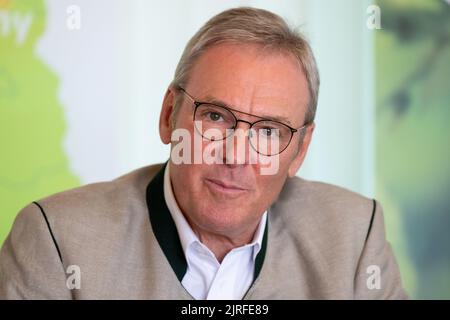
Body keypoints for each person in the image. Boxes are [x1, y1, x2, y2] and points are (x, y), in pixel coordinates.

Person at [0, 7, 407, 299]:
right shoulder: (57, 241)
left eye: (268, 131)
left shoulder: (355, 238)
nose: (235, 155)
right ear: (167, 116)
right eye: (215, 116)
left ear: (299, 150)